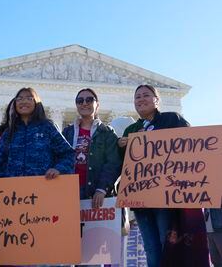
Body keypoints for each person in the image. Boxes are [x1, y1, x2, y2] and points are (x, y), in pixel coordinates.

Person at [117, 84, 208, 267]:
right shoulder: (131, 129)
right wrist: (122, 147)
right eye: (137, 97)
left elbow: (191, 143)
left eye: (146, 95)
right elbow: (124, 167)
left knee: (167, 243)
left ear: (156, 100)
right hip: (141, 198)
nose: (141, 99)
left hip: (164, 197)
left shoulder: (171, 119)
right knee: (151, 248)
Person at [0, 87, 74, 179]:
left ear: (36, 102)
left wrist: (58, 169)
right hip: (14, 188)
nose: (24, 102)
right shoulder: (9, 131)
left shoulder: (47, 127)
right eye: (19, 99)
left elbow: (68, 154)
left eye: (29, 98)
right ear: (15, 104)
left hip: (43, 185)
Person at [62, 88, 122, 208]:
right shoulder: (67, 132)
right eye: (80, 100)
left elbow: (113, 163)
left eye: (89, 100)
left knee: (95, 227)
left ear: (97, 105)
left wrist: (102, 189)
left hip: (95, 191)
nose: (84, 103)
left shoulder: (106, 133)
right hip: (69, 190)